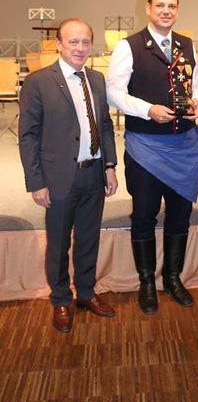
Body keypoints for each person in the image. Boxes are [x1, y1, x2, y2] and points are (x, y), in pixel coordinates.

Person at [106, 0, 198, 314]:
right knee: (144, 215)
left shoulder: (187, 44)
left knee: (180, 215)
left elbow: (197, 86)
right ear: (148, 8)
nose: (166, 11)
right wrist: (148, 110)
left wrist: (197, 104)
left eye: (172, 6)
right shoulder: (129, 46)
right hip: (146, 147)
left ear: (178, 10)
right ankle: (147, 281)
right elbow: (114, 93)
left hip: (185, 147)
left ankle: (173, 278)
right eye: (160, 5)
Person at [19, 18, 118, 333]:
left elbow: (105, 125)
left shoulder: (97, 79)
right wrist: (36, 182)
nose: (80, 48)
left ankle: (86, 292)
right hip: (59, 177)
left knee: (89, 238)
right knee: (59, 243)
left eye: (85, 42)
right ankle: (61, 298)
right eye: (73, 41)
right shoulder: (38, 82)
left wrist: (110, 166)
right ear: (59, 44)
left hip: (94, 174)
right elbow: (28, 136)